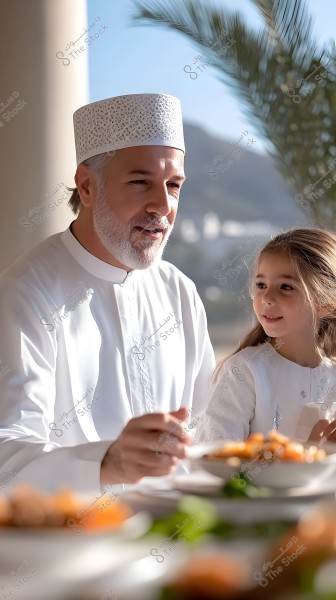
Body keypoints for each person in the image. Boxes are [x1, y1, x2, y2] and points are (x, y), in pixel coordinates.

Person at [0, 93, 215, 494]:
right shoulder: (24, 294)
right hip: (68, 547)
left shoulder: (179, 292)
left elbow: (209, 434)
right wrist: (106, 463)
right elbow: (6, 457)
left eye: (174, 184)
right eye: (140, 182)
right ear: (86, 185)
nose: (163, 206)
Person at [195, 227, 336, 444]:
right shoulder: (244, 371)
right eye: (261, 285)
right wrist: (308, 456)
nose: (267, 297)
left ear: (326, 303)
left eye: (286, 287)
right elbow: (216, 459)